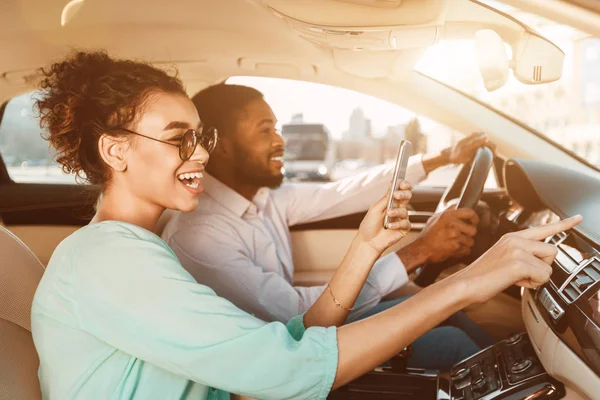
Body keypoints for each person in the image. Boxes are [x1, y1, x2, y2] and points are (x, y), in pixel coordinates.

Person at [31, 50, 581, 400]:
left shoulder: (134, 250)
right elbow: (286, 367)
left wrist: (364, 250)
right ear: (115, 151)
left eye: (202, 138)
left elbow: (290, 339)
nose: (199, 155)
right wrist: (465, 281)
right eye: (179, 138)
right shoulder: (110, 259)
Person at [162, 84, 494, 369]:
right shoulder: (201, 235)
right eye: (265, 131)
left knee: (446, 311)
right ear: (221, 146)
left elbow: (342, 194)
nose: (280, 141)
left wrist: (444, 158)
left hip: (307, 332)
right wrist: (419, 252)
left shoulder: (265, 197)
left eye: (276, 128)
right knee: (450, 342)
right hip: (287, 356)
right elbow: (299, 315)